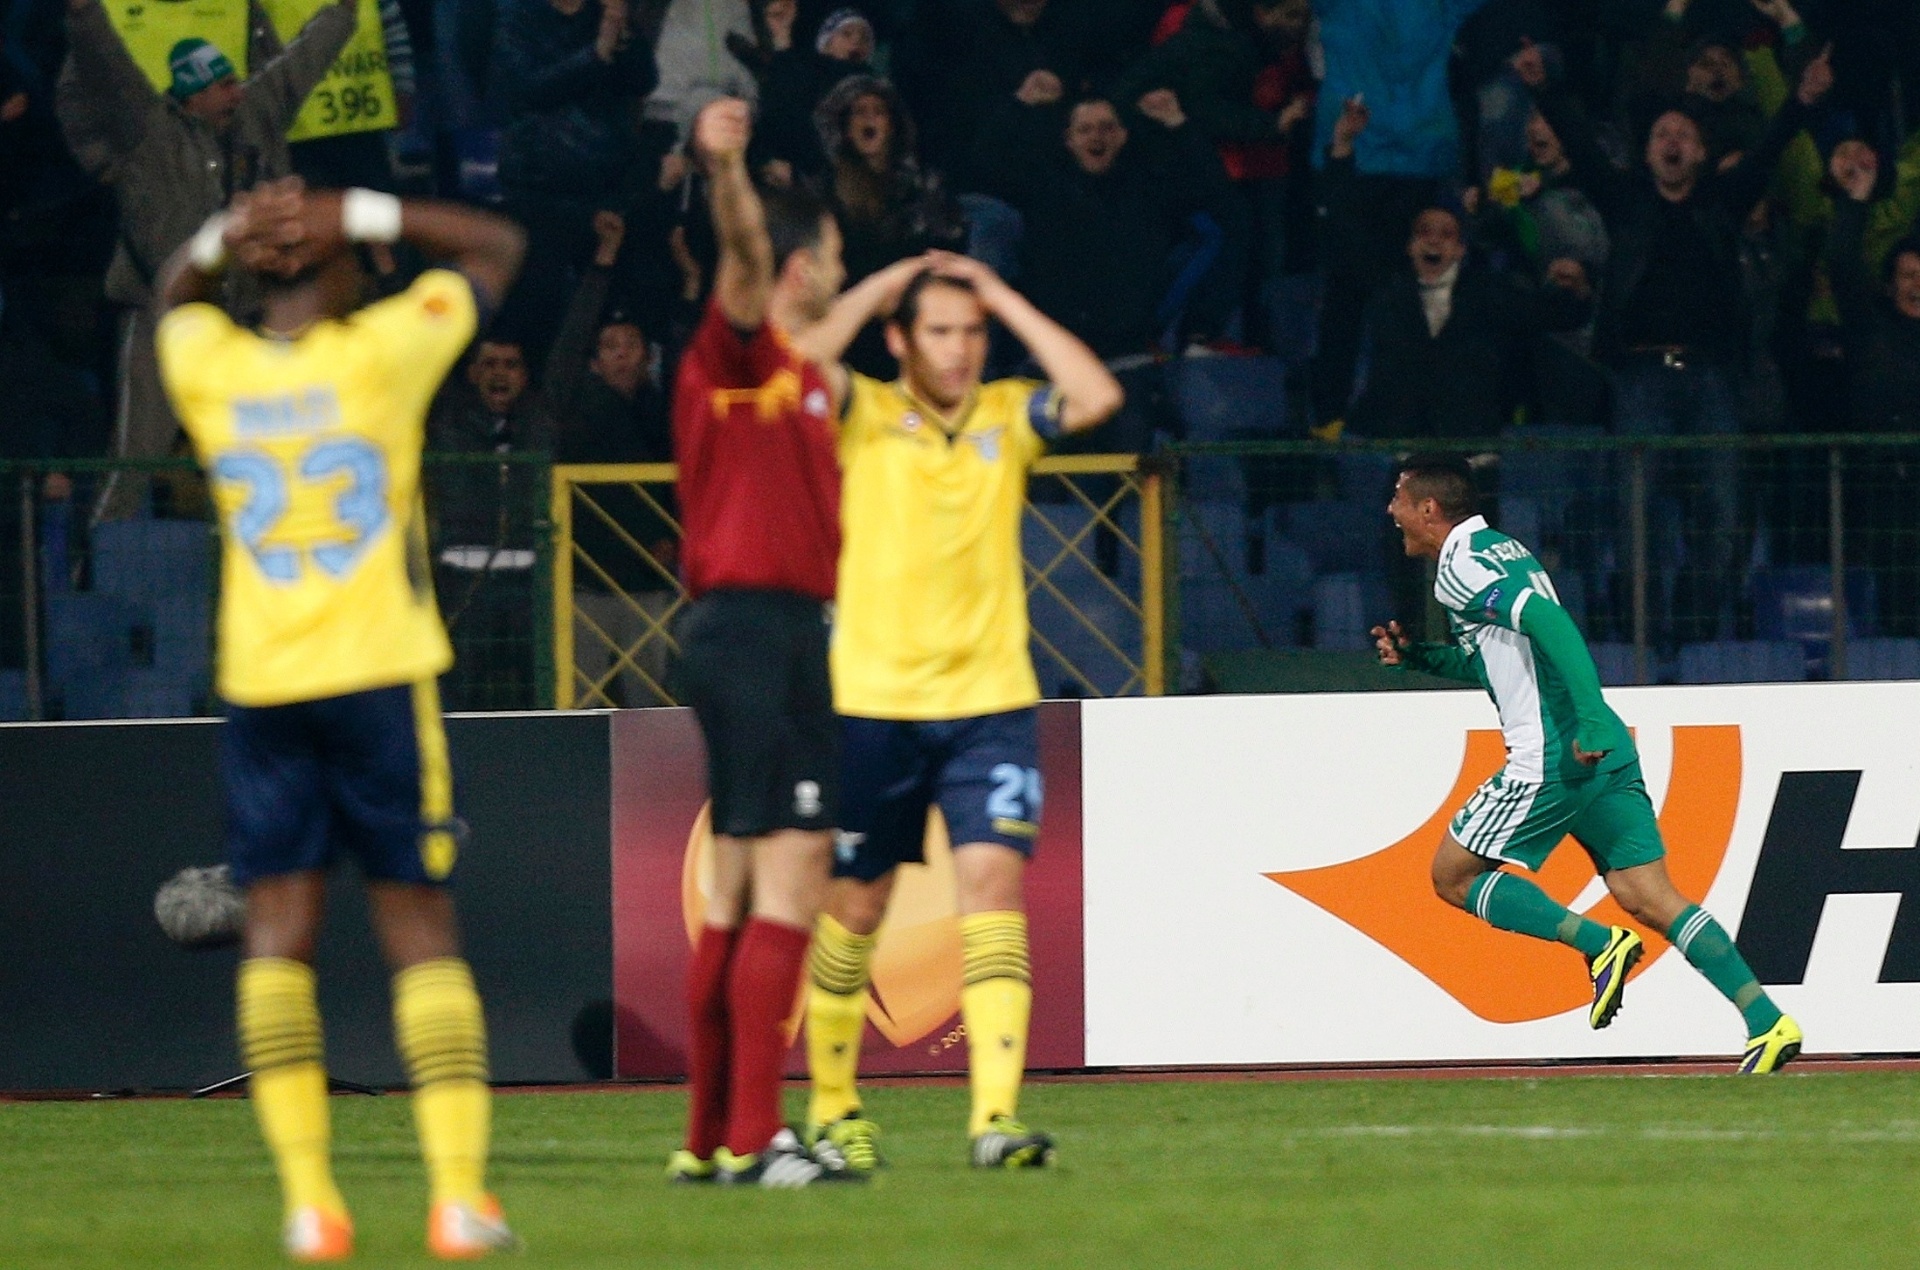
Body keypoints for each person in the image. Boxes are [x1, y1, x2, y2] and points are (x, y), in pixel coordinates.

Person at [153, 177, 526, 1260]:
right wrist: (354, 210)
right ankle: (458, 1199)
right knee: (417, 928)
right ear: (343, 267)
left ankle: (311, 1205)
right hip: (378, 671)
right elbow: (498, 246)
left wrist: (232, 231)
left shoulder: (209, 367)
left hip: (266, 679)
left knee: (278, 932)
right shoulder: (379, 354)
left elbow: (171, 295)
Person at [801, 254, 1124, 1171]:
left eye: (971, 331)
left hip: (989, 704)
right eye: (940, 330)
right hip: (874, 701)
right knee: (858, 908)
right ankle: (833, 1104)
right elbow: (793, 363)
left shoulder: (1008, 413)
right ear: (900, 339)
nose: (960, 348)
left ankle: (993, 1119)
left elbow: (1094, 393)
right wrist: (884, 283)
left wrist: (1004, 297)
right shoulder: (863, 412)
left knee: (991, 890)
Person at [664, 96, 914, 1188]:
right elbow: (745, 247)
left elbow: (826, 327)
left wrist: (887, 289)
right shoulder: (737, 353)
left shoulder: (804, 376)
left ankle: (711, 1137)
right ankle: (764, 1137)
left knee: (730, 889)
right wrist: (723, 167)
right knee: (790, 882)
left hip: (753, 634)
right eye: (838, 259)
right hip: (761, 633)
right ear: (801, 265)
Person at [1371, 455, 1802, 1075]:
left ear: (1429, 509)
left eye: (1399, 497)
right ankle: (1767, 1020)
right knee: (1648, 894)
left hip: (1555, 754)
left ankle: (1599, 943)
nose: (1391, 510)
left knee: (1452, 876)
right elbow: (1505, 660)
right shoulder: (1504, 549)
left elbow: (1550, 623)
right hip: (1601, 754)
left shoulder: (1460, 567)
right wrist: (1426, 660)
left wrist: (1593, 714)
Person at [56, 0, 358, 524]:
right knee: (135, 455)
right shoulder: (146, 132)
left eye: (235, 81)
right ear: (192, 95)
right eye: (222, 85)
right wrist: (83, 13)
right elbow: (106, 62)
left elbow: (308, 56)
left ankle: (260, 568)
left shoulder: (259, 112)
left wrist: (348, 11)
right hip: (161, 320)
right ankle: (94, 574)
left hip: (247, 319)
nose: (237, 92)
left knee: (262, 452)